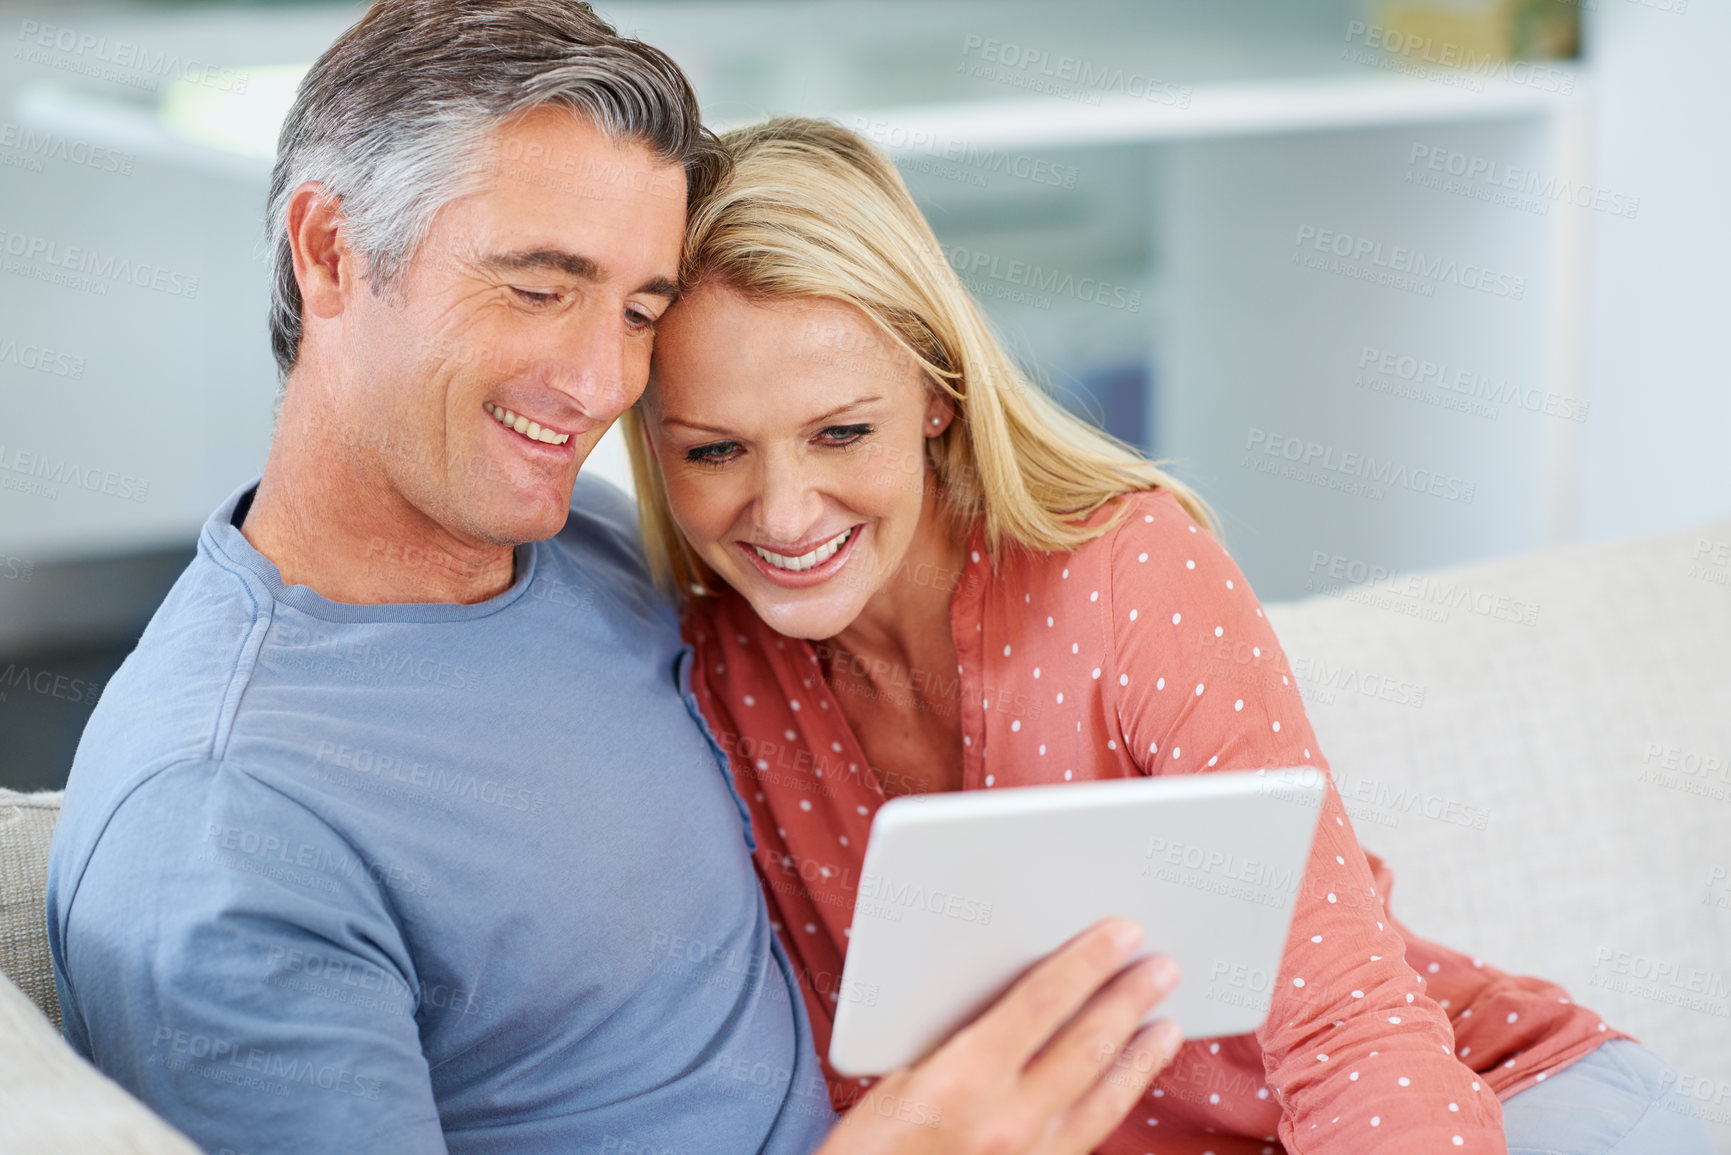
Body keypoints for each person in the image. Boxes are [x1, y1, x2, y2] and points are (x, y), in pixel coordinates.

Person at [44, 4, 1187, 1153]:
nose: (601, 384)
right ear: (331, 252)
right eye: (539, 289)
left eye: (640, 310)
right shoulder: (224, 821)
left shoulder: (590, 545)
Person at [626, 117, 1720, 1155]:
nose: (784, 513)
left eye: (841, 433)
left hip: (1484, 1105)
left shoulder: (1126, 572)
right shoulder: (712, 676)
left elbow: (1348, 1028)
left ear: (937, 393)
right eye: (715, 452)